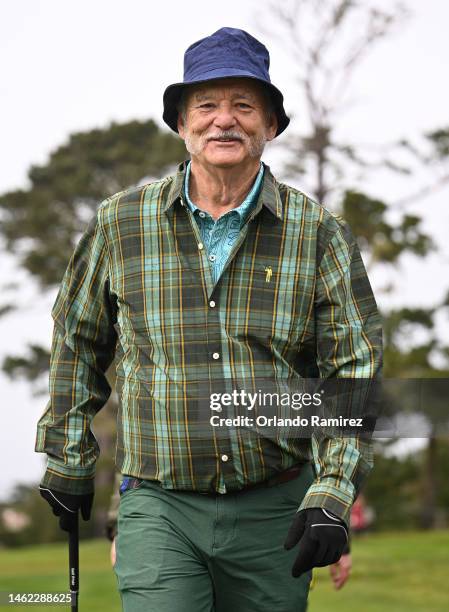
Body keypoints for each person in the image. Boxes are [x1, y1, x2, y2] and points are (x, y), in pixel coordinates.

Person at [36, 27, 382, 612]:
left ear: (270, 126)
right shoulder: (120, 223)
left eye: (244, 106)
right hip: (159, 505)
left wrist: (332, 491)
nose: (225, 120)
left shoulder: (319, 233)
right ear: (181, 123)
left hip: (276, 507)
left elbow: (353, 366)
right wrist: (68, 453)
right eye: (207, 105)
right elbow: (78, 340)